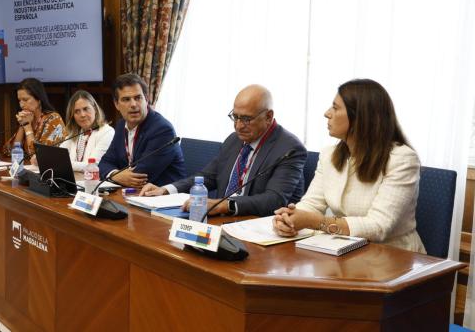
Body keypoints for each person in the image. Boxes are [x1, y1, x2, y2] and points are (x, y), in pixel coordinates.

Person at [272, 79, 426, 253]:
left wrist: (314, 221)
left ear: (361, 117)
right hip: (344, 250)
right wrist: (288, 219)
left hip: (393, 257)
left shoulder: (402, 159)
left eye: (335, 108)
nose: (326, 113)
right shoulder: (329, 155)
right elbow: (311, 205)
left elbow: (379, 227)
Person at [140, 84, 307, 217]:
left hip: (256, 227)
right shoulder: (234, 140)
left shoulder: (289, 148)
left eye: (247, 119)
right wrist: (166, 189)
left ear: (268, 117)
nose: (239, 126)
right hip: (221, 221)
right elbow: (208, 177)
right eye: (235, 117)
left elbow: (274, 200)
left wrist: (224, 205)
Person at [99, 73, 186, 187]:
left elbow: (141, 177)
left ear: (147, 99)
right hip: (134, 195)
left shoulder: (162, 130)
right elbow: (104, 163)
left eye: (138, 98)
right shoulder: (121, 126)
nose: (133, 104)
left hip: (164, 198)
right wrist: (115, 174)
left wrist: (113, 175)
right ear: (116, 104)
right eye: (126, 99)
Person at [4, 78, 65, 165]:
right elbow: (9, 151)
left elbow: (38, 156)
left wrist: (27, 127)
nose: (21, 105)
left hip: (49, 171)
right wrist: (22, 125)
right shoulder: (28, 118)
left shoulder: (53, 119)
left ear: (39, 99)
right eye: (19, 100)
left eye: (25, 100)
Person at [60, 90, 115, 172]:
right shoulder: (74, 134)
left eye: (86, 109)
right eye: (77, 111)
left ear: (95, 109)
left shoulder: (107, 132)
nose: (82, 115)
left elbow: (92, 166)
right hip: (76, 180)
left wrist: (65, 164)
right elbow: (57, 157)